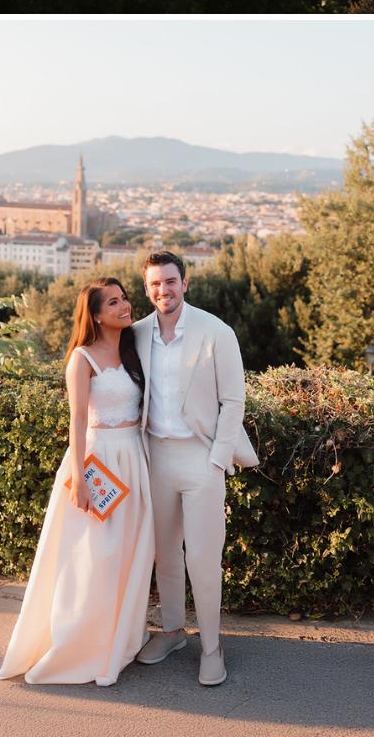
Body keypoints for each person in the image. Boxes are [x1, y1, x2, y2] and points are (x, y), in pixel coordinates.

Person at [0, 278, 154, 686]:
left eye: (125, 299)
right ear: (97, 314)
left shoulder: (133, 349)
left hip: (133, 459)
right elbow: (78, 421)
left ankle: (120, 637)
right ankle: (81, 644)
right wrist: (81, 480)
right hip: (98, 461)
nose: (125, 306)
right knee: (94, 557)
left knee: (129, 554)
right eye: (114, 302)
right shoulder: (81, 359)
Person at [132, 251, 258, 687]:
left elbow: (234, 401)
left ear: (185, 283)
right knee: (164, 554)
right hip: (155, 457)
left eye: (170, 281)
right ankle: (171, 632)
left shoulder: (216, 331)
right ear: (146, 289)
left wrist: (218, 459)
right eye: (154, 284)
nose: (163, 290)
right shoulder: (136, 334)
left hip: (202, 458)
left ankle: (212, 646)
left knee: (204, 560)